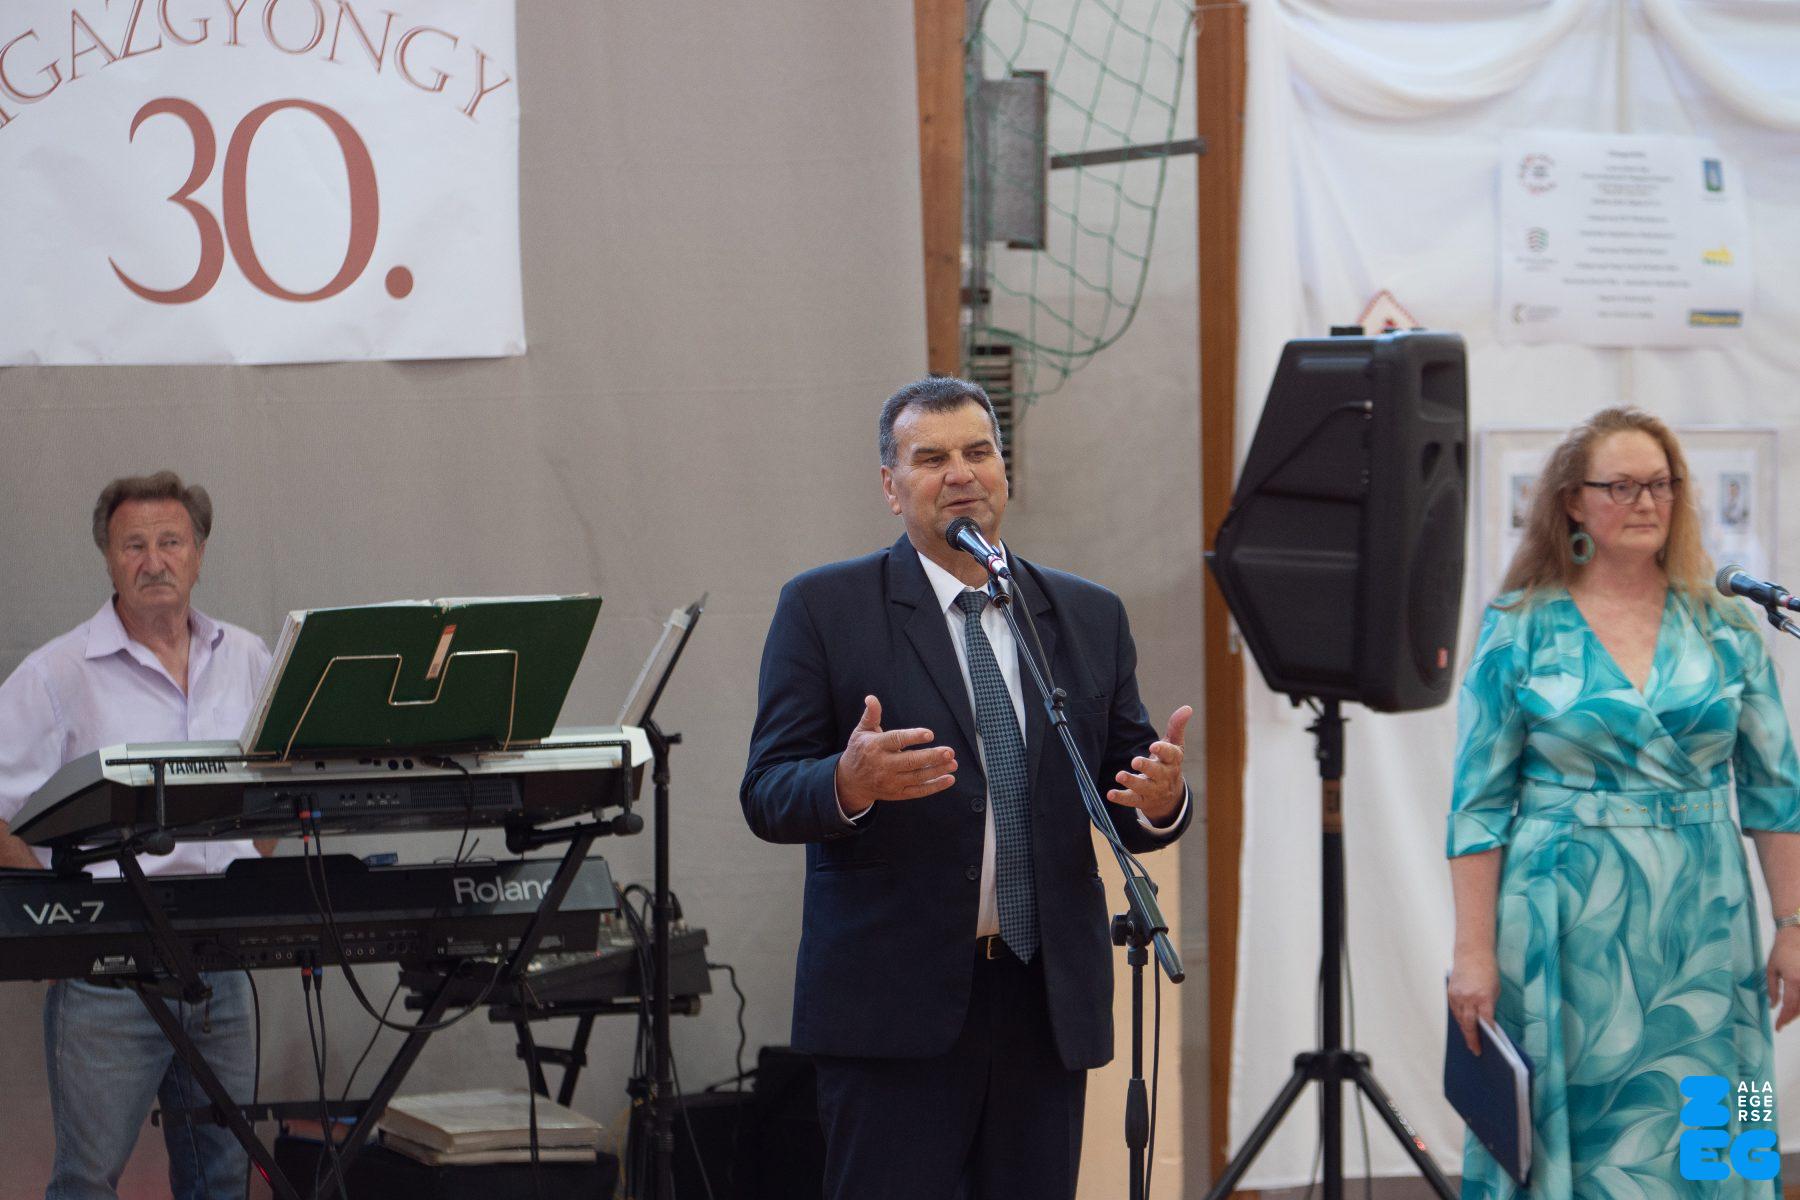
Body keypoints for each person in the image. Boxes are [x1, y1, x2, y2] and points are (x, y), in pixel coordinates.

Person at [740, 376, 1192, 1199]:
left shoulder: (1084, 615)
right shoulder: (824, 608)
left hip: (1042, 1002)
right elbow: (767, 790)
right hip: (893, 1008)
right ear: (890, 486)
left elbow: (1124, 790)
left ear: (1003, 472)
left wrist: (1162, 801)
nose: (960, 474)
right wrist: (847, 781)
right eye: (932, 459)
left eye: (978, 452)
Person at [1445, 408, 1800, 1198]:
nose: (1647, 502)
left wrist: (1794, 924)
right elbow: (1477, 808)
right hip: (1562, 923)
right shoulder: (1519, 630)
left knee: (1723, 1121)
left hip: (1704, 919)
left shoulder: (1727, 628)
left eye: (1662, 485)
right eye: (1623, 486)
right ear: (1573, 502)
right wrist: (1472, 952)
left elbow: (1776, 792)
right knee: (1570, 1132)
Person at [0, 471, 274, 1200]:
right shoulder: (58, 674)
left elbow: (283, 786)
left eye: (171, 542)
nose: (154, 561)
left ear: (199, 554)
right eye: (134, 545)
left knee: (225, 1176)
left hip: (224, 960)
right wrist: (52, 926)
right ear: (109, 559)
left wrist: (253, 863)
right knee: (87, 1182)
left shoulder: (249, 658)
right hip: (107, 971)